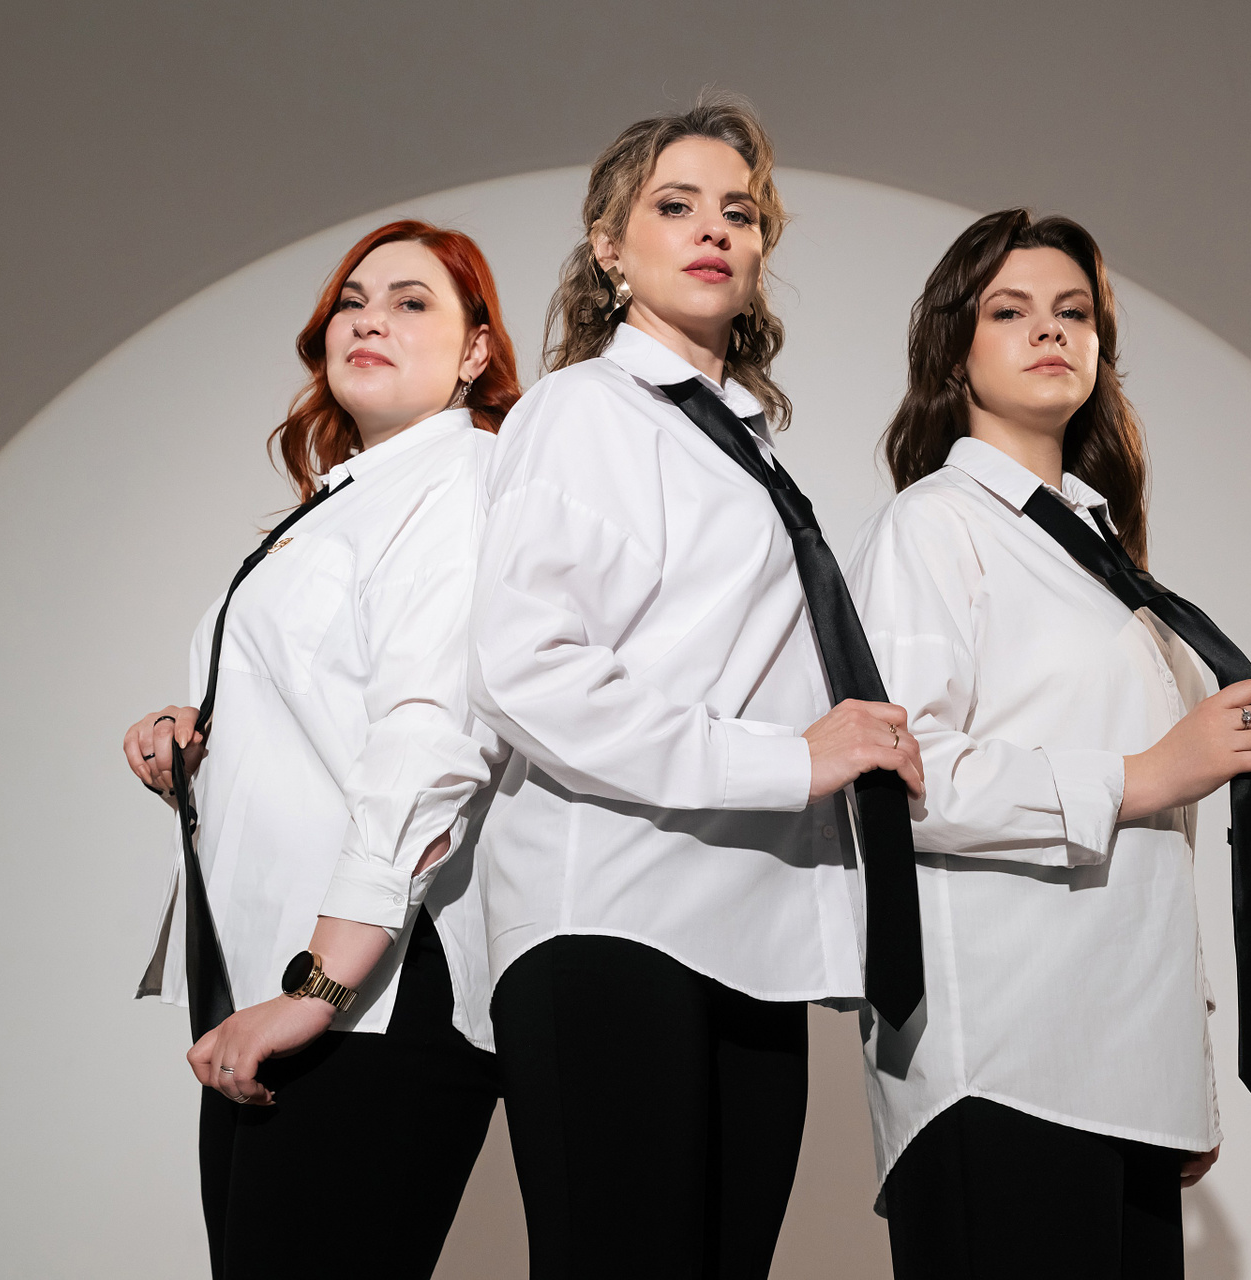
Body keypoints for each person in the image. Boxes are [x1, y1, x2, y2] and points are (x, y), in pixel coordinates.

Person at [467, 93, 924, 1278]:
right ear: (609, 248)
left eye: (741, 211)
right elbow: (526, 670)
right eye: (675, 206)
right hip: (616, 914)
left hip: (753, 937)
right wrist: (793, 758)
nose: (716, 228)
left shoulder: (745, 448)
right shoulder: (584, 411)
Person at [849, 210, 1251, 1278]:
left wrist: (1181, 1067)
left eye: (1074, 312)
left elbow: (1155, 859)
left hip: (1125, 1069)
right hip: (1003, 1059)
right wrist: (1149, 773)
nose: (1050, 330)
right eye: (1011, 311)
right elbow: (900, 782)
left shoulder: (1104, 559)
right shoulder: (933, 526)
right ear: (955, 352)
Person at [121, 219, 517, 1279]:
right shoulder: (349, 498)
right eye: (352, 301)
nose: (369, 319)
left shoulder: (462, 479)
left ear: (477, 351)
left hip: (369, 986)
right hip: (287, 983)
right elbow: (334, 711)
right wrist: (202, 734)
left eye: (411, 302)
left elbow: (431, 740)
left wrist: (317, 991)